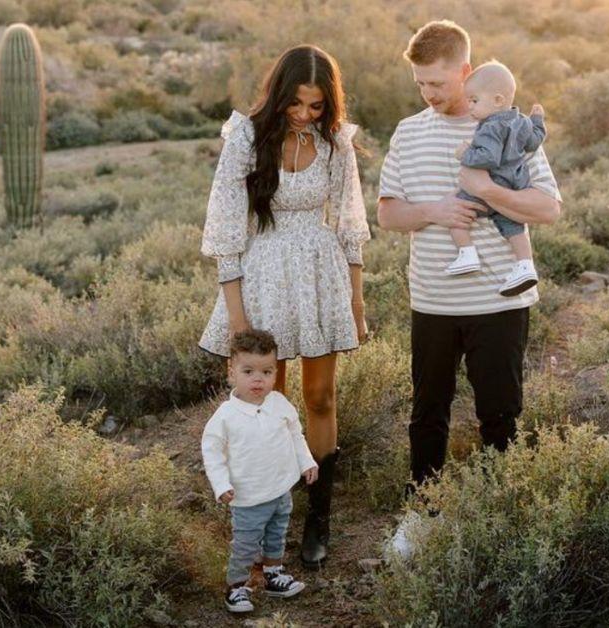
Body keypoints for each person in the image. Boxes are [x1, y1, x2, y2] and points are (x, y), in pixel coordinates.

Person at [375, 20, 562, 556]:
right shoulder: (409, 133)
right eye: (420, 85)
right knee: (427, 412)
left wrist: (484, 189)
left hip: (499, 302)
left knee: (501, 413)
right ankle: (422, 516)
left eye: (437, 82)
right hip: (433, 300)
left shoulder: (509, 127)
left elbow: (548, 207)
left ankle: (500, 518)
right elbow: (387, 214)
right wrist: (436, 210)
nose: (429, 94)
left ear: (464, 71)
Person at [198, 45, 371, 569]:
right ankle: (265, 509)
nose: (304, 114)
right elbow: (228, 230)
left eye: (315, 106)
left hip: (321, 273)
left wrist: (357, 305)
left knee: (319, 397)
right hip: (265, 273)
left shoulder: (336, 142)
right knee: (267, 400)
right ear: (280, 94)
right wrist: (237, 318)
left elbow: (348, 226)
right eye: (296, 103)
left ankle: (318, 518)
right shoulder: (247, 138)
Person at [201, 329, 317, 613]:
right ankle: (237, 587)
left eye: (266, 372)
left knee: (277, 535)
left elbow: (295, 434)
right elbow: (212, 453)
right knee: (246, 543)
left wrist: (307, 462)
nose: (258, 379)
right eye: (248, 371)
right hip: (249, 496)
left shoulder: (279, 404)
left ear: (275, 373)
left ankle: (273, 575)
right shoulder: (225, 417)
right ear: (232, 372)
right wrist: (220, 485)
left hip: (280, 491)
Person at [446, 61, 547, 298]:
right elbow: (534, 141)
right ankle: (525, 266)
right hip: (515, 186)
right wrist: (538, 121)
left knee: (456, 213)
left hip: (491, 185)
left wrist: (465, 154)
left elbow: (488, 158)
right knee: (514, 227)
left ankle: (467, 254)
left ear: (498, 101)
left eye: (474, 101)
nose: (469, 106)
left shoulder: (489, 127)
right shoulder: (521, 121)